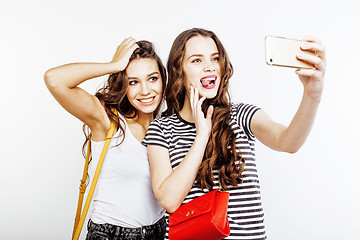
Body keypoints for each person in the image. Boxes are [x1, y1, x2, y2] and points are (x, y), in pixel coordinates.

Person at [143, 28, 326, 239]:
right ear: (178, 71)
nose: (210, 67)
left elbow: (288, 142)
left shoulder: (241, 115)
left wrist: (312, 94)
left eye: (215, 58)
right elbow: (169, 200)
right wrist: (201, 137)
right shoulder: (161, 129)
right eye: (196, 60)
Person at [44, 38, 166, 240]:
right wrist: (114, 65)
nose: (145, 91)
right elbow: (54, 79)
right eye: (133, 82)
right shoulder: (108, 121)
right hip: (112, 234)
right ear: (123, 85)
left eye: (152, 78)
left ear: (163, 79)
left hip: (160, 231)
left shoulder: (166, 126)